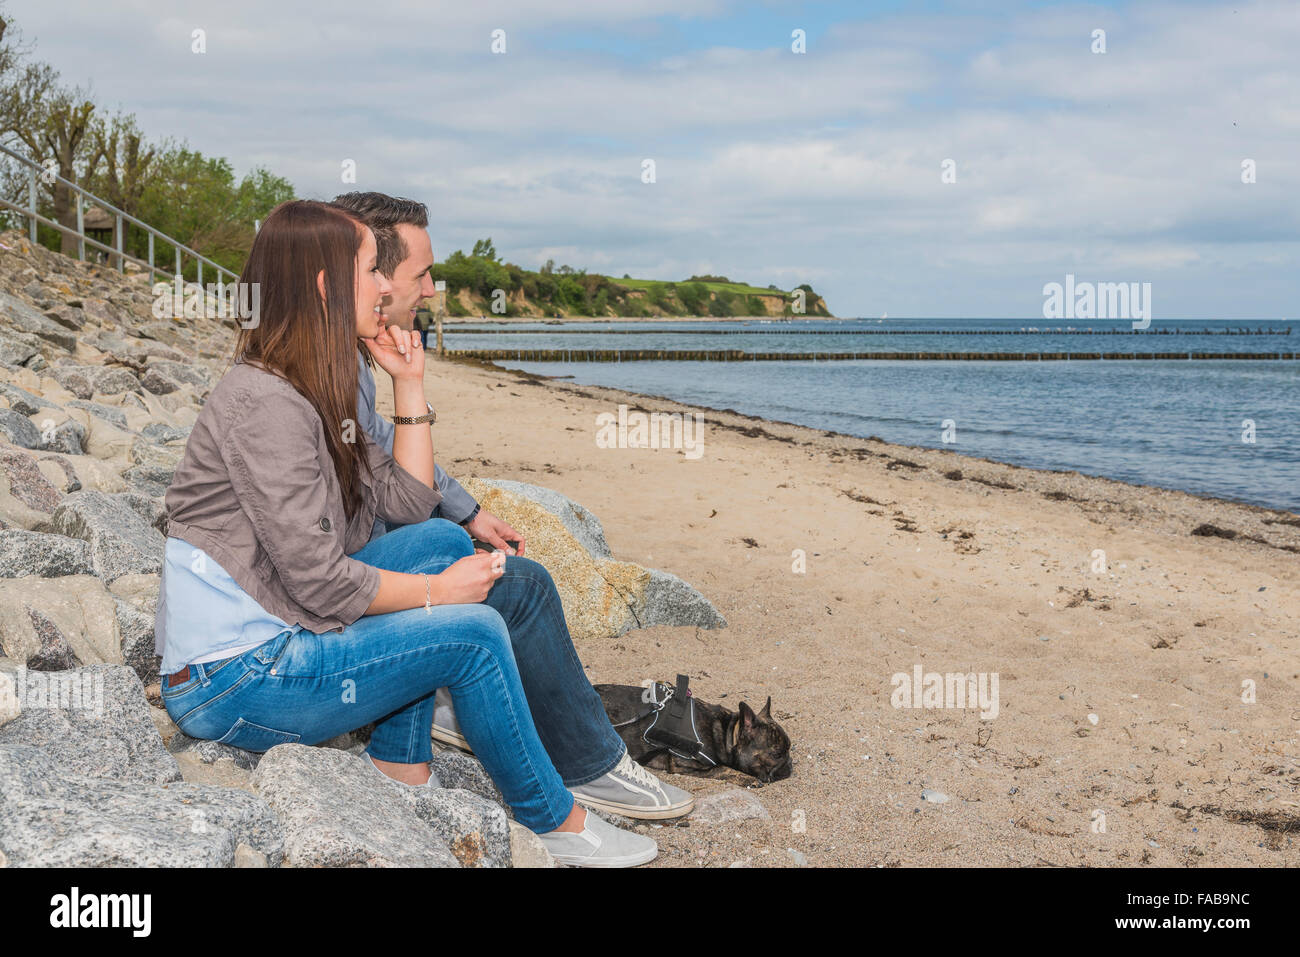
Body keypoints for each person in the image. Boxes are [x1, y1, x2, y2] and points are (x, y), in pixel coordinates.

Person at [154, 200, 664, 866]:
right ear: (323, 284)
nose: (389, 287)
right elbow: (321, 580)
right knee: (474, 632)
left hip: (279, 625)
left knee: (443, 541)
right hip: (231, 678)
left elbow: (407, 499)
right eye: (372, 270)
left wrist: (409, 384)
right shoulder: (265, 403)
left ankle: (399, 761)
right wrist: (437, 595)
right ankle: (556, 823)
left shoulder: (312, 384)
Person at [329, 192, 694, 826]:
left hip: (340, 568)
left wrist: (467, 511)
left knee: (464, 546)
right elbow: (379, 504)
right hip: (329, 593)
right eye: (422, 274)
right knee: (520, 585)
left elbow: (389, 456)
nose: (434, 289)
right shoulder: (330, 368)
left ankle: (439, 703)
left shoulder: (345, 355)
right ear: (376, 279)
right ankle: (585, 765)